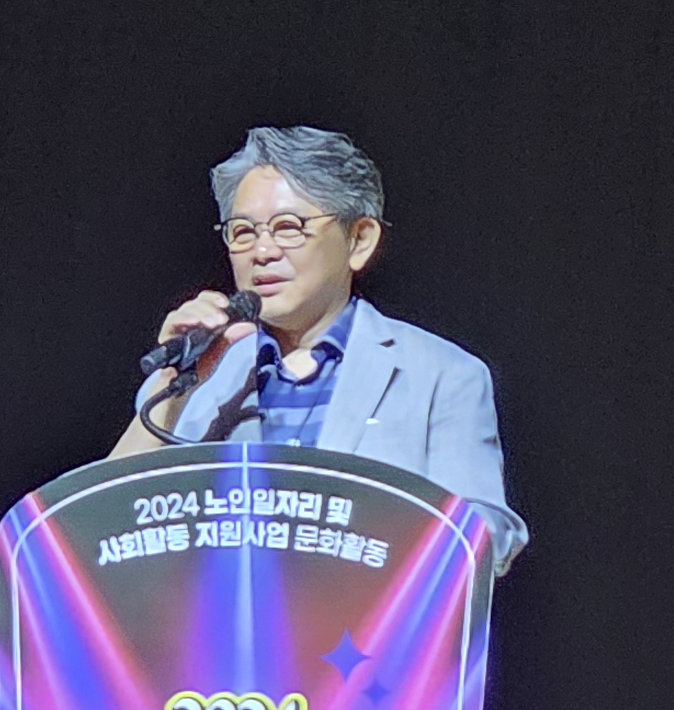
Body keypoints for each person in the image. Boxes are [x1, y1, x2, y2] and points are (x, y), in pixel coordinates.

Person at [111, 127, 518, 546]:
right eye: (243, 232)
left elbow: (482, 536)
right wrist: (172, 384)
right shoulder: (196, 375)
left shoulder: (444, 375)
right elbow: (105, 523)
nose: (262, 252)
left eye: (288, 227)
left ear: (358, 240)